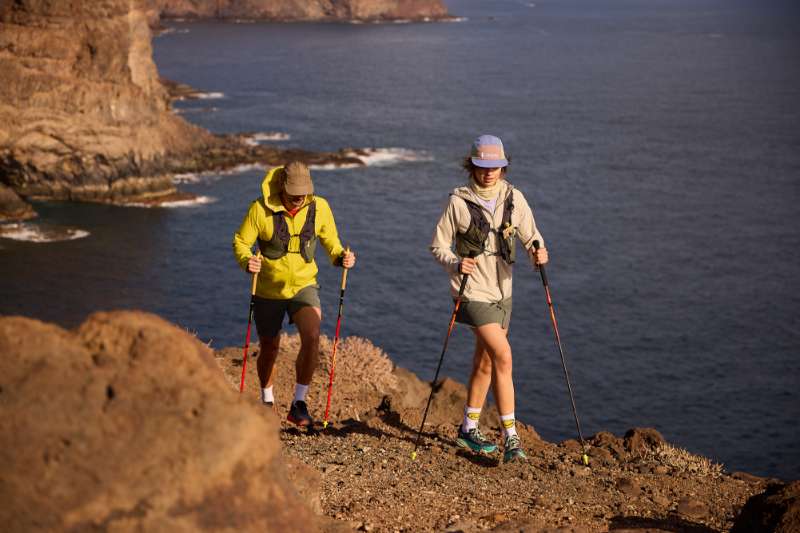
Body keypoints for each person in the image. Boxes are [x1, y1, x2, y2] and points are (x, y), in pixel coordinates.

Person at [430, 134, 548, 463]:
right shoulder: (458, 201)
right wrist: (455, 262)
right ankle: (511, 437)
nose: (489, 172)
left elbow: (531, 235)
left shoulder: (514, 198)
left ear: (503, 167)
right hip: (471, 292)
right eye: (483, 166)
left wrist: (537, 251)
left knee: (484, 361)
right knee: (504, 356)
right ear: (473, 165)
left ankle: (468, 429)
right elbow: (437, 245)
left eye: (495, 166)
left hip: (503, 293)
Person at [233, 161, 355, 427]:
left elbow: (331, 242)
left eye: (303, 194)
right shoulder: (259, 209)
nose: (299, 199)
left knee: (312, 337)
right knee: (269, 347)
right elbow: (242, 242)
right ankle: (267, 399)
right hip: (268, 289)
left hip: (304, 285)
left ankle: (299, 404)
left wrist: (340, 258)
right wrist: (247, 261)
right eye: (294, 194)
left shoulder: (319, 207)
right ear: (281, 188)